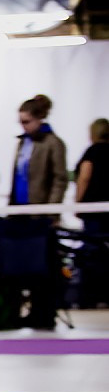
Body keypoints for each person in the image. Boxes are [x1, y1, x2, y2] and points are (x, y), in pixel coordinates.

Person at [1, 94, 68, 329]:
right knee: (20, 265)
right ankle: (16, 312)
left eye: (27, 121)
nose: (23, 126)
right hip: (20, 212)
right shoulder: (22, 143)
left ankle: (43, 314)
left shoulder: (53, 143)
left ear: (40, 118)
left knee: (43, 267)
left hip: (42, 215)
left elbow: (60, 179)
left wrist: (52, 211)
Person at [74, 117, 109, 307]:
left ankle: (90, 296)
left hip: (93, 210)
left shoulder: (92, 152)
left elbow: (85, 177)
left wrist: (77, 203)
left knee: (92, 252)